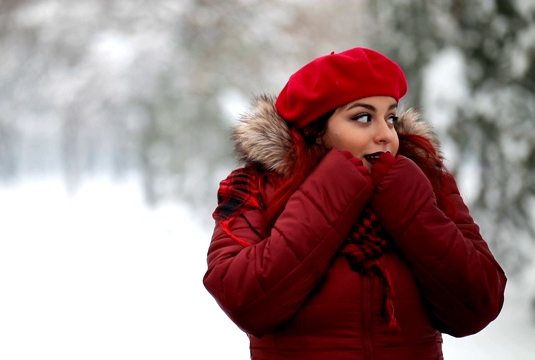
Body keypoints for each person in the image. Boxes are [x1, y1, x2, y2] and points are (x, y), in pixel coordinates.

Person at [203, 47, 507, 359]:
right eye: (362, 117)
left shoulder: (428, 183)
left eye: (391, 117)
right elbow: (244, 301)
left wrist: (412, 209)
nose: (385, 134)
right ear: (315, 130)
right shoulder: (256, 187)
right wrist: (332, 189)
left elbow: (480, 305)